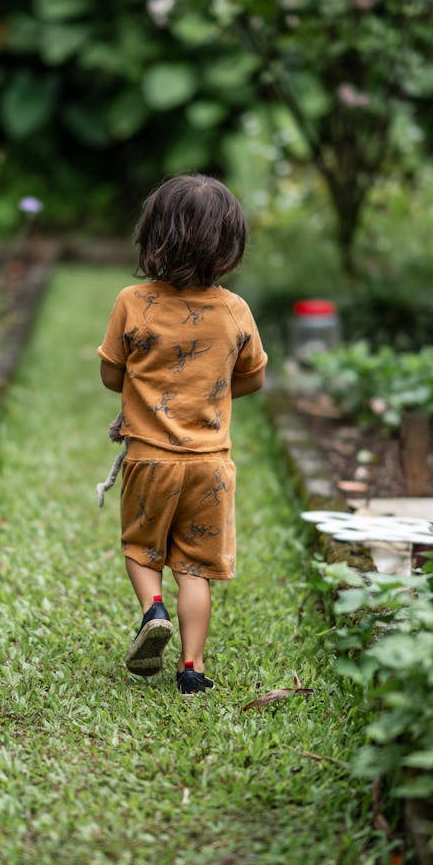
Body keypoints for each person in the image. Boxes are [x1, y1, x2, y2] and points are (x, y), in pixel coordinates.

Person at [98, 174, 267, 696]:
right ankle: (191, 669)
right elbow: (254, 377)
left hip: (149, 460)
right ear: (229, 247)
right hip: (211, 465)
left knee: (140, 547)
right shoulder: (235, 310)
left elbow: (110, 374)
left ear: (153, 238)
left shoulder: (132, 301)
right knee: (195, 568)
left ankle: (153, 609)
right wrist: (211, 393)